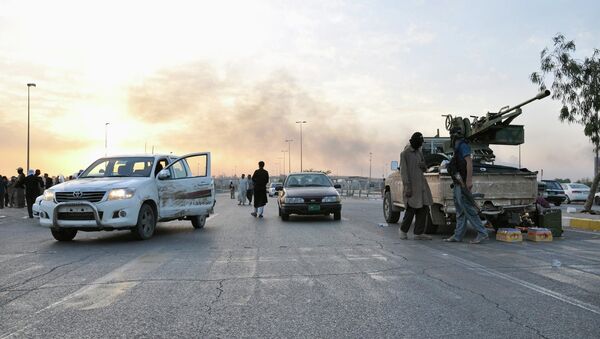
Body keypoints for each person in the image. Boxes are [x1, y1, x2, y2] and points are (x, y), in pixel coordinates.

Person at [444, 127, 489, 244]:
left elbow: (469, 162)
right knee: (460, 211)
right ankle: (458, 235)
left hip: (462, 182)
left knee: (468, 209)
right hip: (457, 182)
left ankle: (482, 233)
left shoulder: (463, 145)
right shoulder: (458, 146)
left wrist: (469, 180)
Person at [399, 132, 433, 240]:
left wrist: (424, 166)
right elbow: (403, 172)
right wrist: (407, 187)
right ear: (415, 142)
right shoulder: (405, 154)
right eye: (420, 142)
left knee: (423, 209)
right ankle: (403, 231)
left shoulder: (419, 152)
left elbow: (424, 167)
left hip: (422, 186)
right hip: (412, 187)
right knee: (411, 210)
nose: (421, 145)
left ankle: (418, 233)